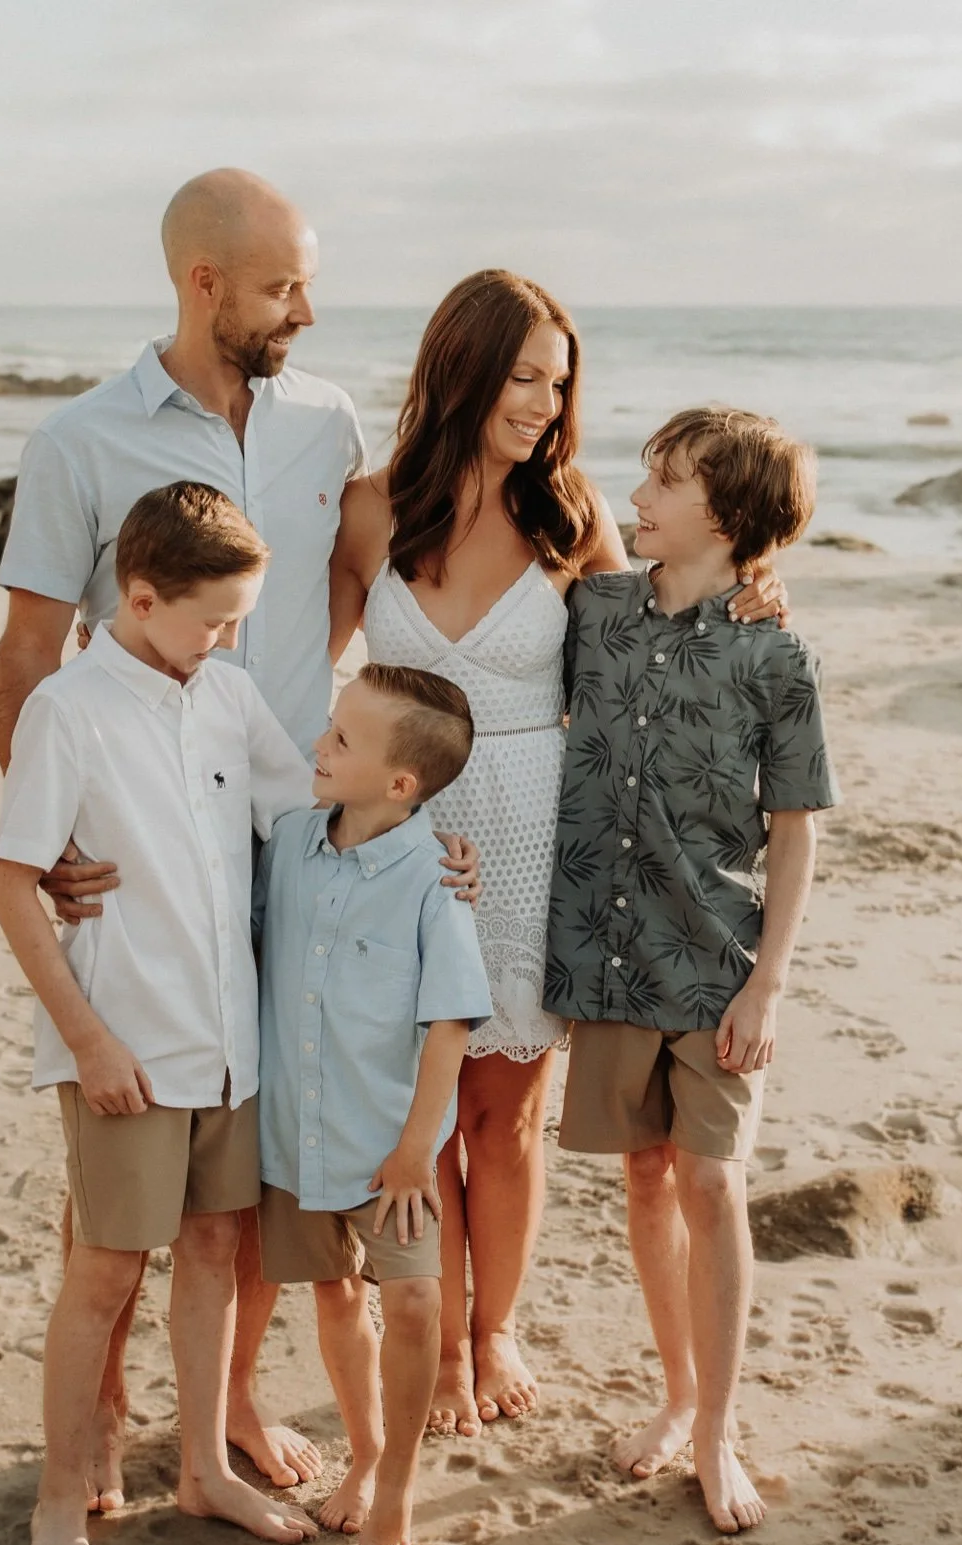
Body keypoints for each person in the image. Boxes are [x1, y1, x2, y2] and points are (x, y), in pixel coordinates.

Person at [329, 272, 785, 1435]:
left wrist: (752, 591)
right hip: (402, 836)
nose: (543, 402)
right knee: (415, 1114)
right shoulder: (368, 509)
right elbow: (301, 673)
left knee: (504, 1115)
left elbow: (659, 637)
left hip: (536, 836)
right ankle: (433, 1341)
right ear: (463, 367)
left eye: (559, 381)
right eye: (525, 375)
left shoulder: (571, 514)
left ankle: (492, 1331)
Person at [0, 168, 372, 1499]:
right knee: (122, 1141)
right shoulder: (82, 442)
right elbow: (32, 648)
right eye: (282, 287)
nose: (306, 311)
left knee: (249, 1154)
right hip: (144, 869)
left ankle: (225, 1415)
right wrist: (56, 844)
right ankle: (93, 1416)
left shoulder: (329, 425)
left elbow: (345, 583)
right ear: (203, 284)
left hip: (290, 838)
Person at [0, 482, 321, 1545]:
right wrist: (85, 1042)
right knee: (102, 1273)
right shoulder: (68, 709)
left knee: (219, 1252)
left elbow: (312, 817)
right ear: (139, 596)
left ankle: (199, 1471)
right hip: (124, 1050)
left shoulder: (226, 696)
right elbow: (12, 887)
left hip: (233, 1044)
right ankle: (57, 1496)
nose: (228, 639)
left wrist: (426, 854)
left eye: (238, 620)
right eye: (215, 619)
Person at [544, 406, 838, 1534]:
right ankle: (676, 1394)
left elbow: (797, 828)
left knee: (712, 1185)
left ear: (731, 513)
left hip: (716, 963)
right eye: (648, 474)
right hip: (608, 957)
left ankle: (717, 1433)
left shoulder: (777, 652)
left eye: (667, 480)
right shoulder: (596, 612)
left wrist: (767, 982)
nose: (643, 494)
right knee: (645, 1178)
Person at [254, 665, 492, 1545]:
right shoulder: (286, 842)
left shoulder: (436, 876)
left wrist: (412, 1154)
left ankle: (397, 1486)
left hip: (391, 1147)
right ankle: (362, 1455)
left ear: (401, 784)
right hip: (297, 1135)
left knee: (419, 1297)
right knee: (333, 1293)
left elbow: (451, 1024)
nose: (320, 746)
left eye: (342, 741)